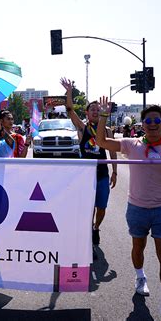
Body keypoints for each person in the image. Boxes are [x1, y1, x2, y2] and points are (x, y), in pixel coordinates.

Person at [96, 99, 161, 318]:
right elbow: (101, 141)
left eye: (156, 120)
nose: (152, 123)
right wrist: (104, 116)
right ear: (142, 124)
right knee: (138, 247)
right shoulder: (131, 144)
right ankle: (140, 277)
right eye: (148, 120)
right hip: (137, 208)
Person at [61, 78, 117, 252]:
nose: (95, 111)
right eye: (92, 109)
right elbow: (70, 109)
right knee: (88, 206)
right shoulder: (82, 128)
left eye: (97, 109)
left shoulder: (107, 131)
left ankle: (96, 227)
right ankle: (87, 233)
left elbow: (113, 151)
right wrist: (69, 91)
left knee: (102, 207)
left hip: (102, 174)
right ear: (86, 113)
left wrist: (115, 171)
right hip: (85, 175)